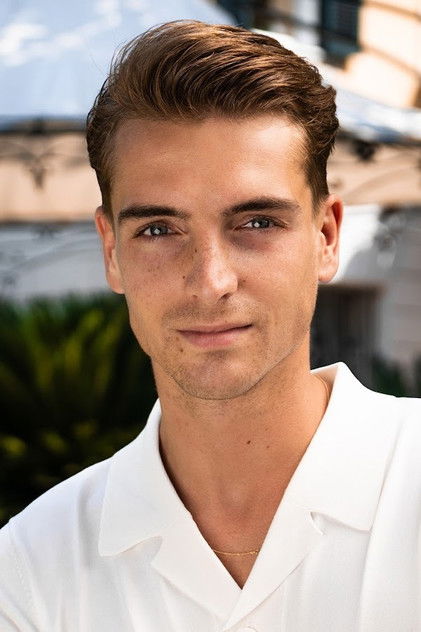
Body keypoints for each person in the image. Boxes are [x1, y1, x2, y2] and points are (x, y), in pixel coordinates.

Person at [1, 19, 420, 632]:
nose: (211, 280)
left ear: (327, 237)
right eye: (158, 230)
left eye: (257, 223)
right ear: (112, 251)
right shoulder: (31, 567)